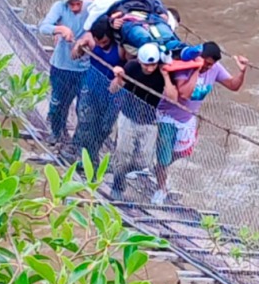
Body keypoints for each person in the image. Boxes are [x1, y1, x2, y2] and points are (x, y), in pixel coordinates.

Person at [152, 42, 249, 204]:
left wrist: (242, 71)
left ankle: (159, 168)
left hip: (188, 118)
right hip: (167, 116)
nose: (207, 67)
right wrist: (196, 69)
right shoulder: (184, 66)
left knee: (181, 153)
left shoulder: (215, 69)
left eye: (210, 65)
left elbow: (233, 85)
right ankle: (161, 189)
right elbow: (185, 93)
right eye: (205, 62)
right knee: (163, 157)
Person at [107, 43, 178, 201]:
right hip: (128, 116)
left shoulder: (162, 73)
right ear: (140, 61)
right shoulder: (132, 67)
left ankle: (123, 171)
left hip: (150, 121)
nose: (150, 68)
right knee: (123, 154)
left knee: (143, 161)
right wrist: (119, 77)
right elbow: (113, 89)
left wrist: (166, 76)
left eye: (153, 64)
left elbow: (173, 99)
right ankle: (117, 186)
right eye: (147, 64)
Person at [62, 15, 125, 165]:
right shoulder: (90, 39)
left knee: (105, 126)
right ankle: (76, 150)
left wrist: (122, 76)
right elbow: (74, 56)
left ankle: (92, 155)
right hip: (92, 86)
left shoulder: (121, 47)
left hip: (113, 92)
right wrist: (79, 46)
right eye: (98, 42)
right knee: (86, 119)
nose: (101, 45)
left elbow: (131, 65)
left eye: (104, 42)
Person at [38, 0, 90, 146]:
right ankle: (56, 132)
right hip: (61, 66)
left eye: (78, 4)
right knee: (58, 103)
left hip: (84, 68)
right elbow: (44, 27)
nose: (74, 7)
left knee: (84, 107)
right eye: (71, 4)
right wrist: (60, 29)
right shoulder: (59, 7)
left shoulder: (91, 8)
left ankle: (78, 142)